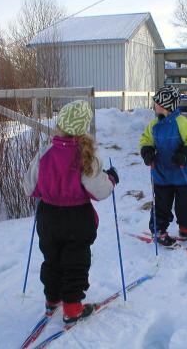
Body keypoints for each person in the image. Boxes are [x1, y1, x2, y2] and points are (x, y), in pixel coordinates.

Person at [23, 100, 119, 323]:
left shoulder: (44, 152)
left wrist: (48, 186)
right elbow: (101, 190)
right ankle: (73, 307)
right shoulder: (87, 158)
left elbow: (29, 186)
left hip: (48, 217)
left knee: (52, 258)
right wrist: (112, 179)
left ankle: (52, 298)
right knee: (75, 261)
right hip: (77, 219)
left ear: (60, 125)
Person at [139, 86, 187, 247]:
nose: (154, 105)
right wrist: (147, 152)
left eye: (157, 102)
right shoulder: (153, 125)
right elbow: (146, 140)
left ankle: (186, 228)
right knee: (162, 206)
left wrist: (186, 153)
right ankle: (159, 231)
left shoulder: (183, 124)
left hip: (183, 175)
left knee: (186, 205)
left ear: (166, 105)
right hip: (161, 175)